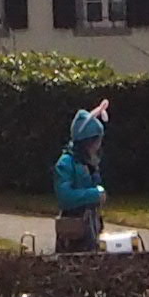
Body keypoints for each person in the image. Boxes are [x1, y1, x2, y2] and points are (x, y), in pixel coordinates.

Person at [51, 99, 112, 254]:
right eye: (96, 141)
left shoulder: (89, 163)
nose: (98, 145)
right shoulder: (66, 163)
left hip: (90, 227)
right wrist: (94, 195)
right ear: (86, 142)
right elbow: (65, 197)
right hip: (73, 230)